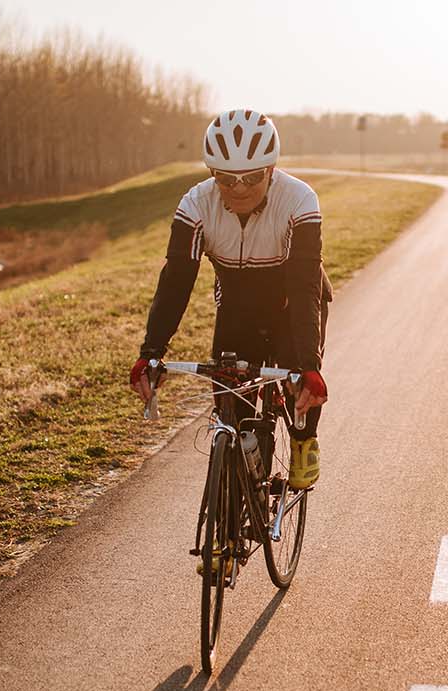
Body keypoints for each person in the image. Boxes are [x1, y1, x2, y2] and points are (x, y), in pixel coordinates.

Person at [131, 109, 331, 490]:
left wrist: (308, 365)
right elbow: (175, 282)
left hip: (294, 302)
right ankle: (238, 492)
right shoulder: (195, 205)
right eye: (225, 178)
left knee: (298, 382)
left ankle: (305, 441)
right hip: (238, 307)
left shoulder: (300, 199)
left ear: (271, 170)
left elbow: (305, 286)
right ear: (212, 173)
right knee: (231, 403)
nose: (238, 188)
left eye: (252, 177)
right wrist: (151, 351)